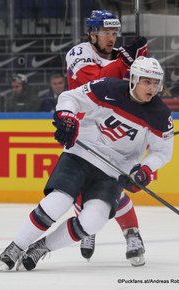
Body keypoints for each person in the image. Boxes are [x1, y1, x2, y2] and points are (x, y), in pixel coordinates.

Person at [0, 56, 174, 272]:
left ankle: (42, 247)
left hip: (113, 171)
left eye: (156, 83)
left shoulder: (161, 115)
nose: (152, 88)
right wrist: (67, 116)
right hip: (81, 154)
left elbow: (162, 152)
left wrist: (145, 170)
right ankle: (16, 247)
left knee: (94, 220)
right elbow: (71, 97)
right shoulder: (108, 87)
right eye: (147, 82)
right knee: (57, 201)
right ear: (134, 79)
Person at [66, 10, 148, 265]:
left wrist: (141, 62)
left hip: (117, 128)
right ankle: (86, 227)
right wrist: (125, 61)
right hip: (85, 130)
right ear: (92, 34)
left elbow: (143, 86)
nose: (111, 38)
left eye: (115, 33)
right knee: (80, 186)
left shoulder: (122, 56)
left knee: (114, 183)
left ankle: (132, 234)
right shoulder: (78, 54)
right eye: (105, 33)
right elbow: (96, 82)